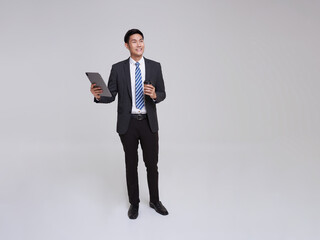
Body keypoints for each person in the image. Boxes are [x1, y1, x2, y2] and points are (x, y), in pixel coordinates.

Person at [90, 29, 168, 219]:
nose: (139, 44)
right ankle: (134, 204)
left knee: (152, 164)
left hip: (149, 123)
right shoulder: (118, 69)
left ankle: (155, 200)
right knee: (131, 165)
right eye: (134, 41)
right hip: (128, 125)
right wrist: (98, 96)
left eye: (141, 40)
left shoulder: (155, 66)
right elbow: (110, 96)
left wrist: (154, 94)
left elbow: (163, 93)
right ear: (127, 45)